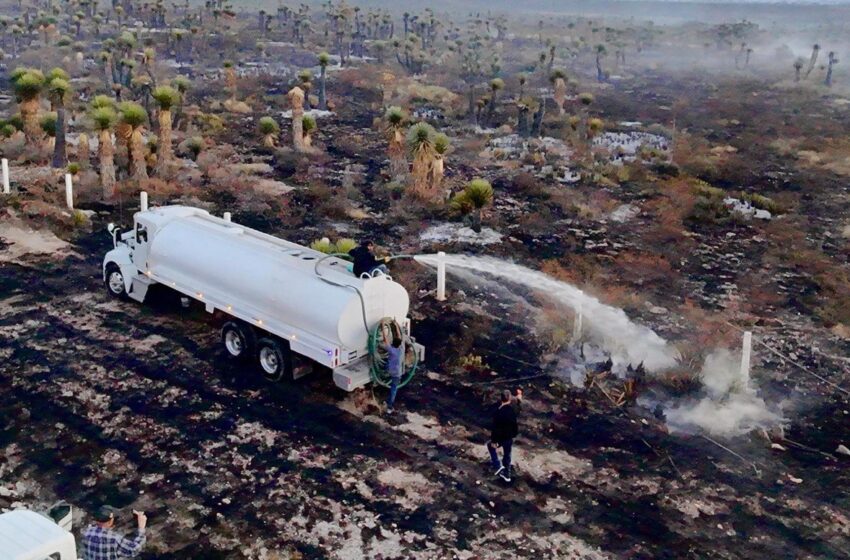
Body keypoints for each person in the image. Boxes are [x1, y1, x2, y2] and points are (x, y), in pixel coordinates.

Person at [81, 505, 147, 560]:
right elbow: (133, 550)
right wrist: (141, 528)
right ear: (111, 521)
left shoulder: (86, 532)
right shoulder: (114, 538)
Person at [487, 388, 522, 482]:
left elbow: (495, 428)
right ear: (510, 398)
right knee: (507, 454)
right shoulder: (512, 410)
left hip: (501, 437)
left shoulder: (499, 412)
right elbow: (518, 409)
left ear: (501, 398)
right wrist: (519, 399)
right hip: (510, 436)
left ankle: (498, 466)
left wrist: (494, 441)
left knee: (490, 446)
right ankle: (507, 474)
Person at [383, 332, 404, 413]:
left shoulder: (391, 350)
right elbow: (399, 336)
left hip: (390, 370)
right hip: (397, 373)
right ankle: (389, 406)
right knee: (393, 389)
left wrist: (382, 324)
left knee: (386, 363)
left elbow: (385, 340)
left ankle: (389, 404)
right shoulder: (401, 349)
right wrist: (396, 325)